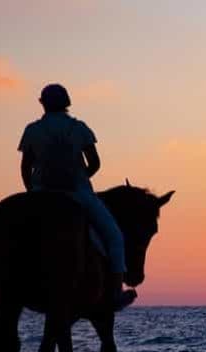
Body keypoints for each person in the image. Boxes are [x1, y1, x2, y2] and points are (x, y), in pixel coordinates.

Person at [18, 83, 136, 311]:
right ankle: (115, 292)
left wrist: (31, 192)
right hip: (78, 193)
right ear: (67, 103)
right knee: (114, 237)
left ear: (42, 103)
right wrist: (80, 177)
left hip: (41, 193)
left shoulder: (32, 130)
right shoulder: (79, 128)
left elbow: (25, 167)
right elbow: (95, 163)